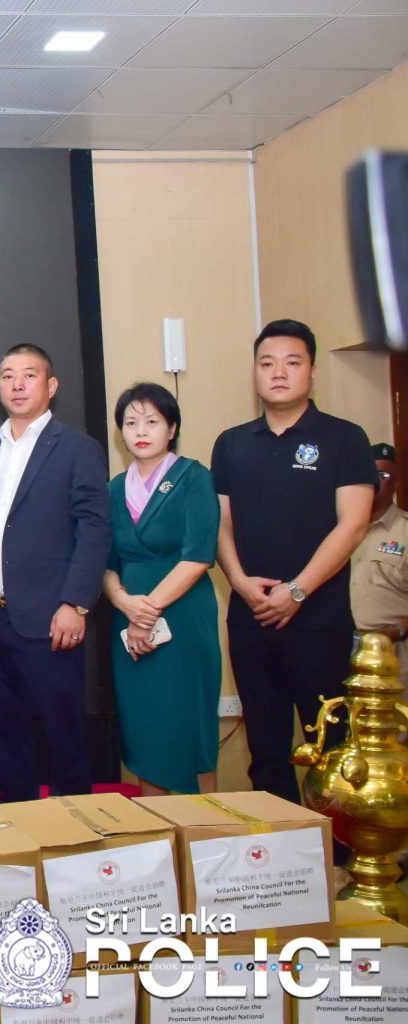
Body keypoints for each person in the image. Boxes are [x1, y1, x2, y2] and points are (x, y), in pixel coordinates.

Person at [213, 319, 375, 803]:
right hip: (250, 617)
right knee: (265, 750)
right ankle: (280, 844)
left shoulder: (344, 438)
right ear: (255, 372)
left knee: (331, 748)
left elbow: (353, 525)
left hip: (318, 620)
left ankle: (337, 844)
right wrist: (239, 582)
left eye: (292, 362)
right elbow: (219, 525)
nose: (278, 372)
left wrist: (298, 590)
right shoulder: (232, 443)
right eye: (267, 363)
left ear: (312, 371)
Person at [0, 344, 109, 803]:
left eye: (29, 375)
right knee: (3, 735)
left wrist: (76, 603)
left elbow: (94, 530)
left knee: (62, 736)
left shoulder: (78, 449)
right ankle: (18, 822)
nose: (17, 385)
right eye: (8, 376)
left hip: (50, 616)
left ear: (51, 386)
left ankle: (76, 832)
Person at [101, 383, 220, 796]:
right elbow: (106, 564)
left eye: (152, 421)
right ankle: (157, 828)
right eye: (131, 422)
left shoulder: (193, 477)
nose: (141, 431)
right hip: (127, 619)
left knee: (188, 723)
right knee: (144, 727)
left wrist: (146, 612)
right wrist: (123, 603)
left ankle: (204, 829)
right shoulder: (114, 488)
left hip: (182, 616)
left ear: (172, 428)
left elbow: (198, 556)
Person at [350, 442, 408, 675]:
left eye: (384, 475)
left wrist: (397, 630)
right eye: (369, 473)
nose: (375, 481)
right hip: (337, 646)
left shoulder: (405, 531)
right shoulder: (340, 530)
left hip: (392, 648)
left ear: (396, 483)